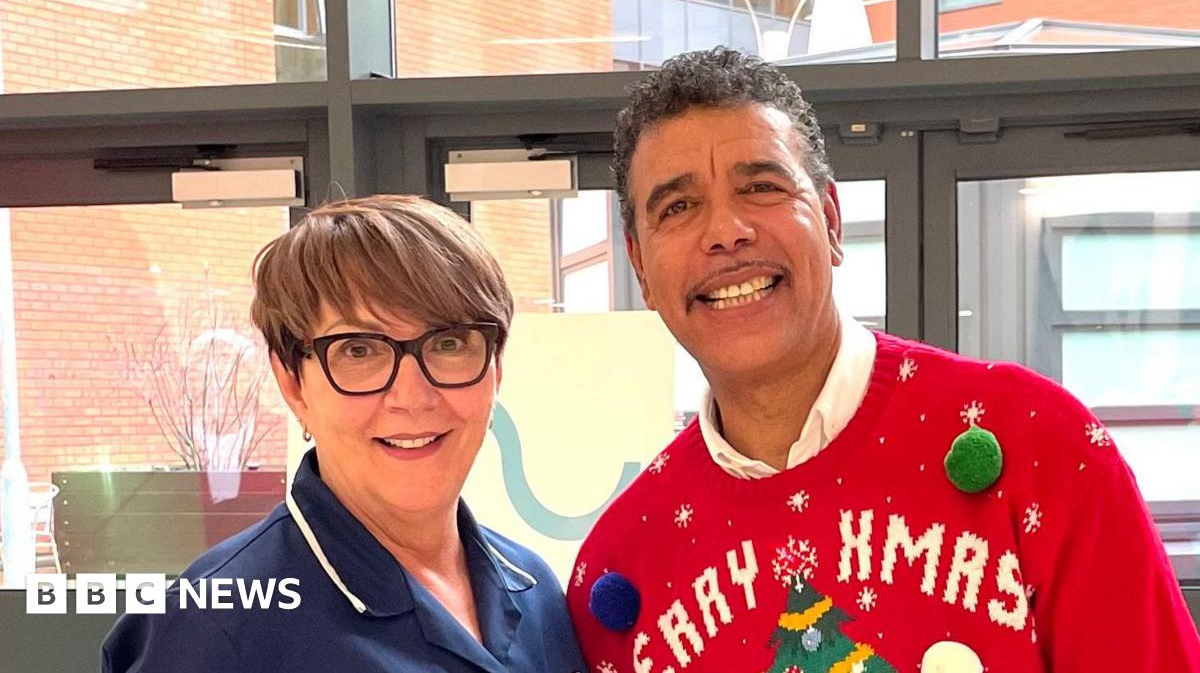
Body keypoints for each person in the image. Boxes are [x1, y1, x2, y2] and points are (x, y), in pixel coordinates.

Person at [566, 47, 1200, 672]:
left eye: (761, 187)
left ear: (831, 221)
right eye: (678, 207)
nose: (726, 231)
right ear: (640, 267)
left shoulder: (1041, 449)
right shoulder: (619, 571)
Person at [103, 195, 587, 672]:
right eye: (359, 350)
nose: (412, 396)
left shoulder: (536, 590)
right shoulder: (213, 629)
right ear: (292, 382)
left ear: (496, 367)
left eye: (448, 343)